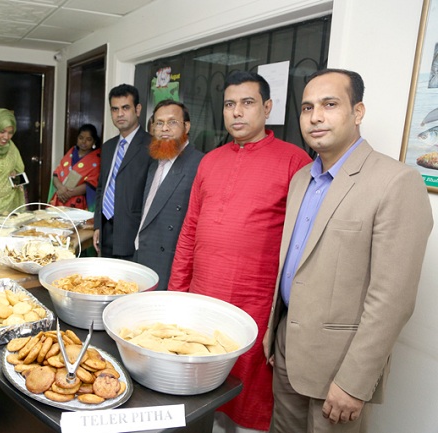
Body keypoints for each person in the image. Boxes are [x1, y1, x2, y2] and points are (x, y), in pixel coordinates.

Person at [263, 69, 433, 432]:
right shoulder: (301, 179)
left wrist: (354, 382)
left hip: (339, 367)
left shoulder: (396, 182)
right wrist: (277, 338)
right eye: (307, 107)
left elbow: (393, 299)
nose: (315, 117)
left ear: (358, 112)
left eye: (329, 104)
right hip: (288, 350)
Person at [168, 71, 312, 432]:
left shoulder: (295, 162)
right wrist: (176, 293)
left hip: (256, 305)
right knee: (196, 392)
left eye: (247, 103)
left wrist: (285, 319)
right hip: (202, 299)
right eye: (229, 104)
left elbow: (304, 247)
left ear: (267, 107)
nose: (236, 112)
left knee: (248, 400)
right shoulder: (210, 161)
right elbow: (189, 230)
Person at [133, 100, 203, 290]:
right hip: (143, 254)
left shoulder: (199, 164)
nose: (164, 128)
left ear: (186, 126)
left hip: (170, 264)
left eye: (172, 122)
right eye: (159, 123)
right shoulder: (156, 161)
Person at [93, 84, 152, 259]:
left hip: (132, 234)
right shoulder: (108, 147)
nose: (119, 114)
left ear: (138, 109)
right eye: (115, 109)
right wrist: (97, 225)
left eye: (125, 108)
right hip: (105, 230)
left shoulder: (151, 147)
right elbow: (101, 188)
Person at [50, 123, 101, 210]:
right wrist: (60, 188)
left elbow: (91, 184)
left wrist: (67, 194)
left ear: (94, 141)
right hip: (60, 200)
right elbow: (56, 174)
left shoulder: (96, 160)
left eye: (88, 139)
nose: (84, 142)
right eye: (81, 138)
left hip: (79, 203)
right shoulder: (71, 152)